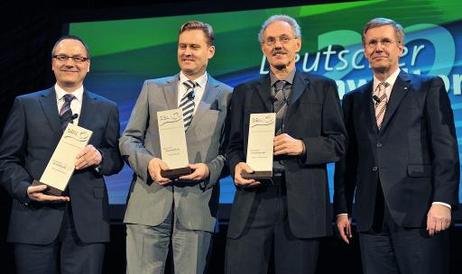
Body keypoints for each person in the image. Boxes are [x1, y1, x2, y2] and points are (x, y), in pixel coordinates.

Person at [334, 17, 460, 274]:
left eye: (385, 41)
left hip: (420, 214)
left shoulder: (428, 87)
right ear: (365, 50)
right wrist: (342, 208)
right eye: (372, 43)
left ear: (400, 48)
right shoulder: (353, 99)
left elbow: (445, 151)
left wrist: (443, 202)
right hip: (371, 218)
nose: (378, 47)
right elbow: (348, 160)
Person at [225, 15, 346, 274]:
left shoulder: (323, 88)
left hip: (302, 206)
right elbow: (232, 146)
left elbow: (338, 143)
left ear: (298, 44)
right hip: (253, 201)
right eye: (270, 40)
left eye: (284, 39)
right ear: (263, 48)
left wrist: (302, 147)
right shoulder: (244, 92)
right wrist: (236, 167)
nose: (277, 45)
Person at [0, 35, 123, 274]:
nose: (70, 63)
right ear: (52, 63)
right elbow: (6, 159)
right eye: (63, 57)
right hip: (33, 217)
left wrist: (100, 157)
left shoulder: (107, 108)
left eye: (78, 58)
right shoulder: (26, 104)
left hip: (88, 221)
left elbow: (115, 158)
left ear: (88, 65)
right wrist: (25, 188)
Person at [120, 20, 232, 274]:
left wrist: (208, 169)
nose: (187, 52)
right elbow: (128, 139)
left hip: (197, 208)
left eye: (194, 46)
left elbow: (231, 153)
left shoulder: (227, 95)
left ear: (210, 51)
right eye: (182, 46)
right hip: (147, 206)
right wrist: (149, 163)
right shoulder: (152, 88)